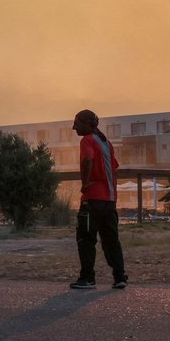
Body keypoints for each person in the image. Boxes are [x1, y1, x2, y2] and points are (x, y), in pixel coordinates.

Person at [69, 110, 128, 290]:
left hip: (92, 200)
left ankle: (87, 278)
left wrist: (86, 183)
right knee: (111, 240)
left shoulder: (87, 140)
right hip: (109, 201)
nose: (74, 127)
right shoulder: (106, 143)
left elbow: (87, 160)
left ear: (87, 124)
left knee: (85, 238)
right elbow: (115, 166)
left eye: (77, 123)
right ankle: (119, 277)